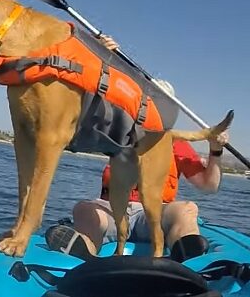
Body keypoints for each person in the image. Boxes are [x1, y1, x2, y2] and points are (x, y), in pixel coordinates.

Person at [45, 35, 229, 262]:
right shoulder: (118, 131)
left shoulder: (175, 143)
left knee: (186, 209)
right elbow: (91, 97)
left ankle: (185, 253)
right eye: (149, 103)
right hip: (110, 211)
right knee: (84, 208)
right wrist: (99, 56)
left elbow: (209, 186)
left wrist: (215, 150)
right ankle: (84, 252)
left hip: (153, 214)